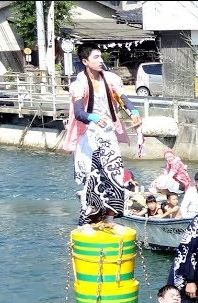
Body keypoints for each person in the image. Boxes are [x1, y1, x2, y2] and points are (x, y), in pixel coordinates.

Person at [64, 44, 140, 225]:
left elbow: (122, 99)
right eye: (96, 57)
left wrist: (134, 112)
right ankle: (87, 221)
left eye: (101, 57)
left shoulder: (110, 79)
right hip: (89, 134)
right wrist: (93, 117)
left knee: (115, 175)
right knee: (91, 177)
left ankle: (110, 219)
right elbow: (79, 113)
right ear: (85, 61)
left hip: (108, 133)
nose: (100, 61)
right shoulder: (79, 84)